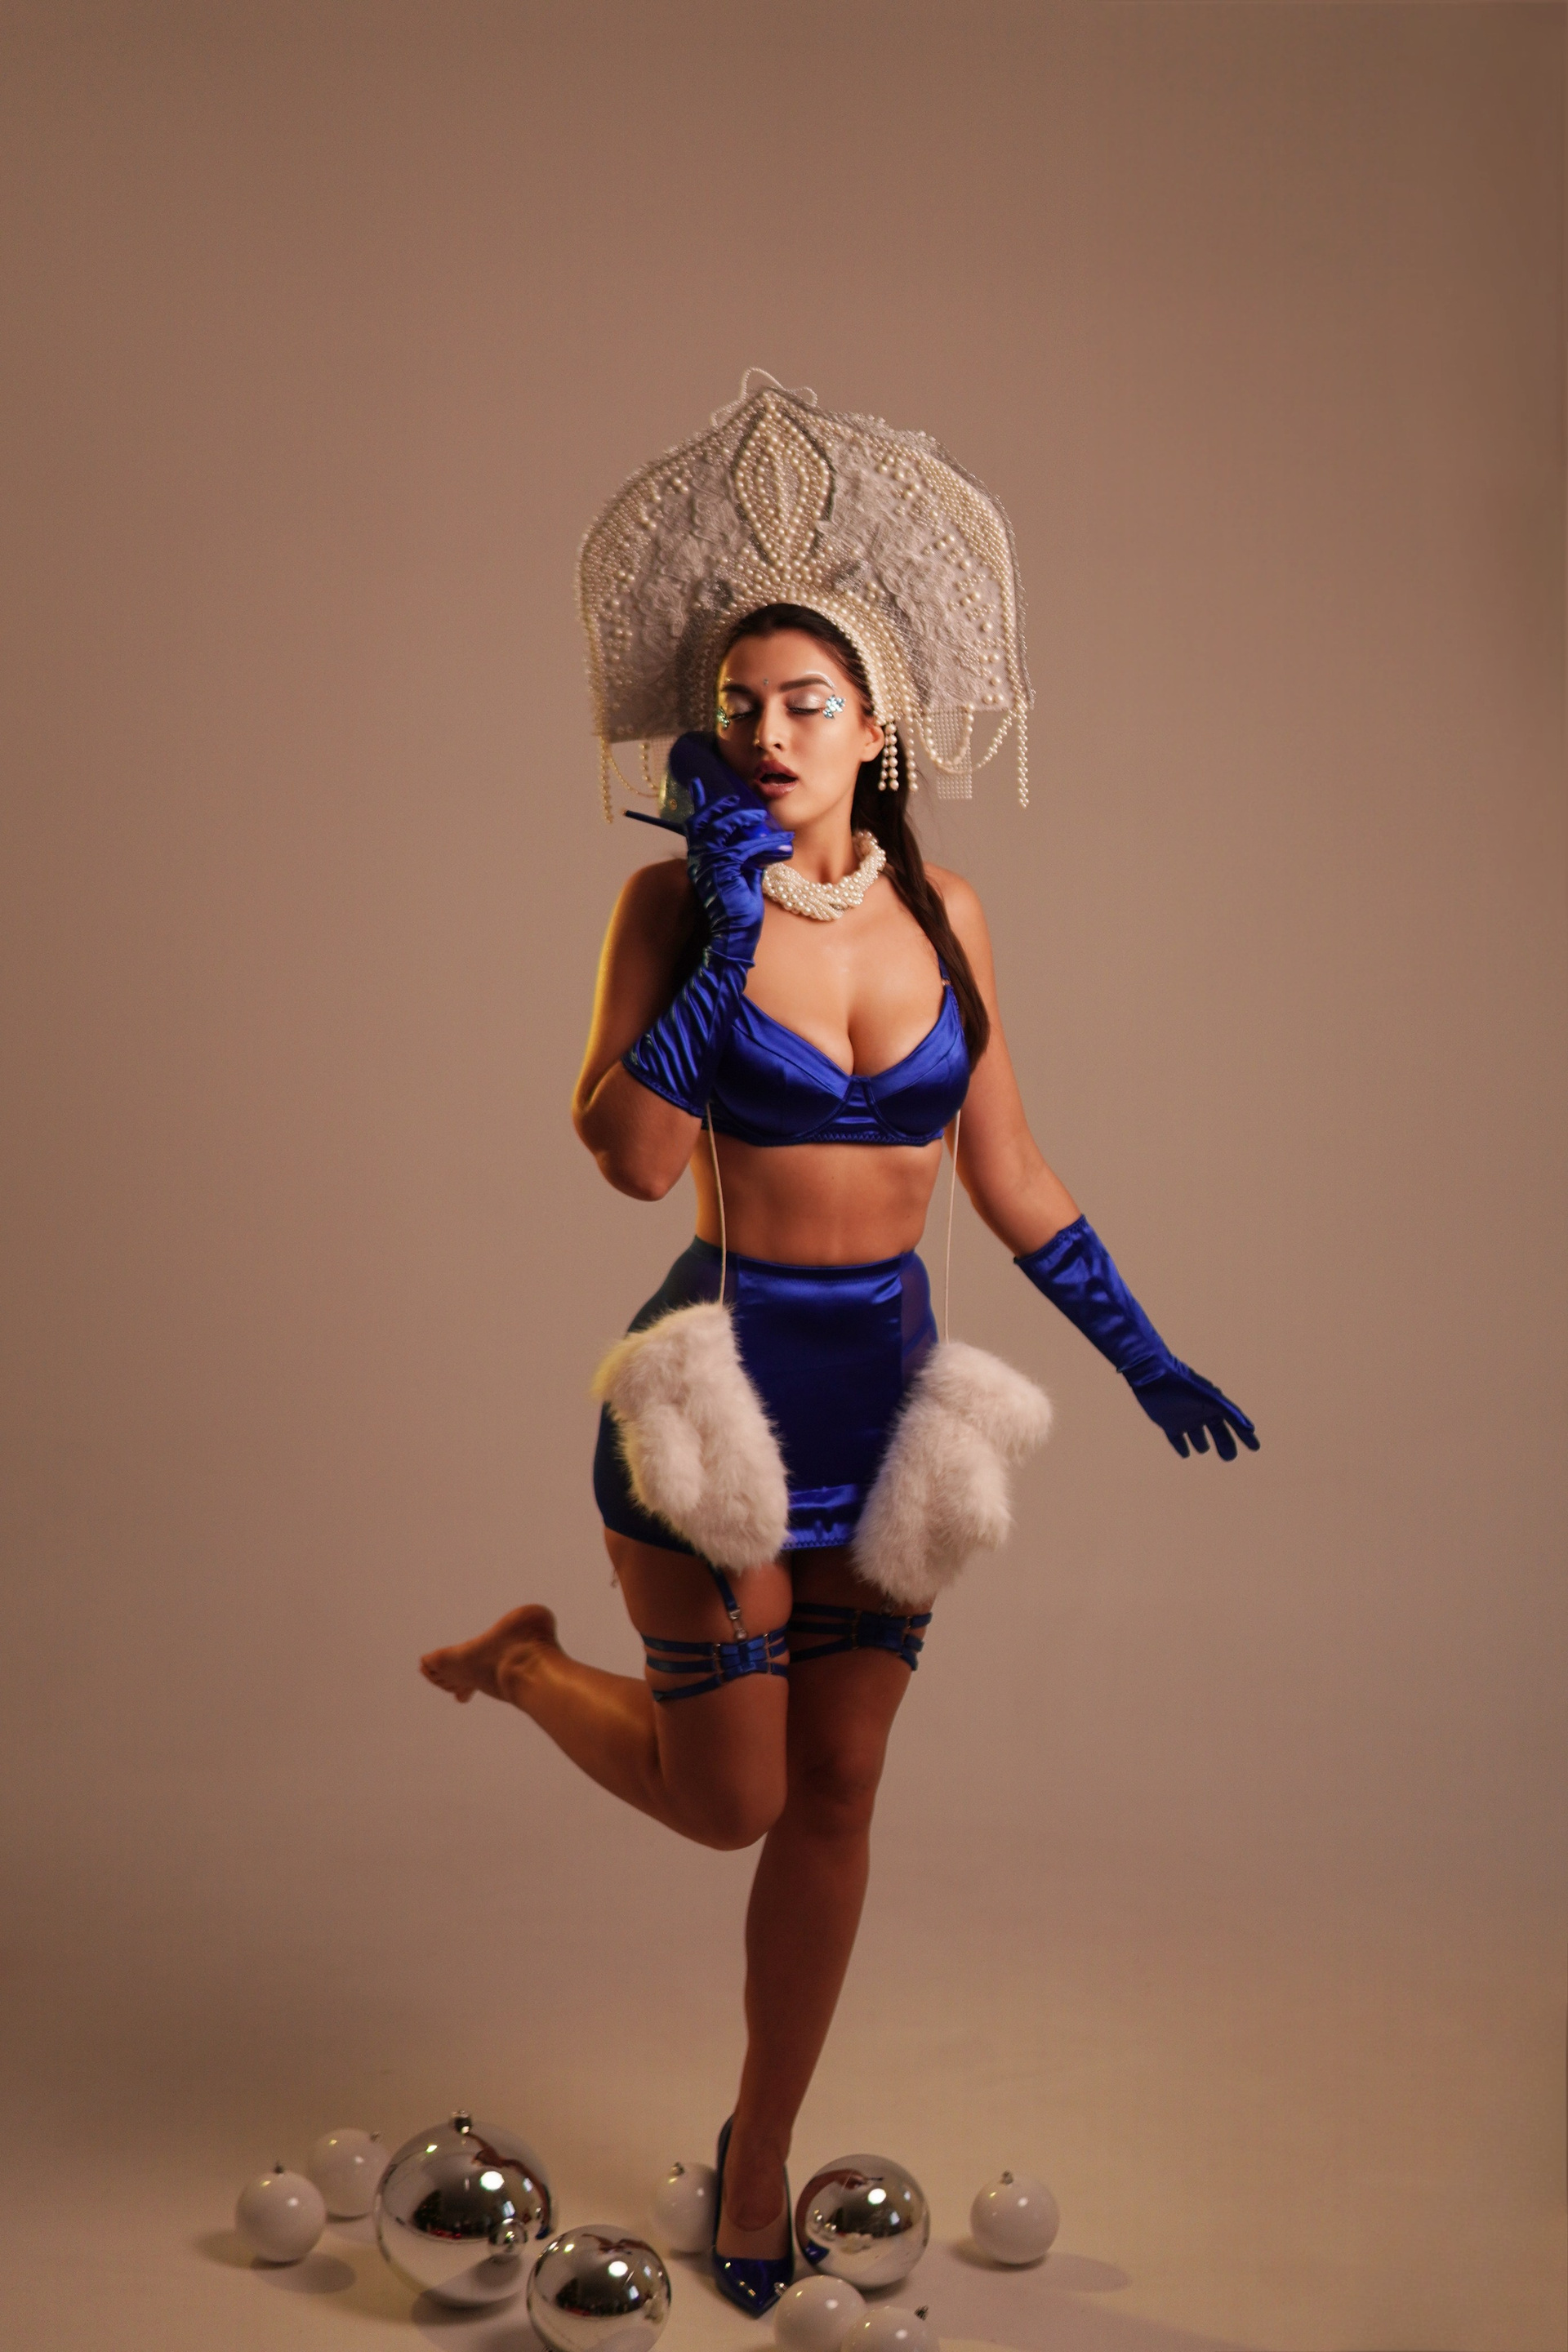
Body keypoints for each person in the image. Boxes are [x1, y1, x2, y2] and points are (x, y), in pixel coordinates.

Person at [420, 379, 1256, 2314]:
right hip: (714, 1404)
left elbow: (1010, 1170)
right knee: (729, 1800)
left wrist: (1141, 1351)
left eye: (808, 703)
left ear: (881, 729)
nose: (771, 733)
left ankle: (762, 2152)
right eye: (740, 707)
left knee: (840, 1795)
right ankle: (529, 1662)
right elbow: (633, 1162)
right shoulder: (664, 903)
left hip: (888, 1412)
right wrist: (724, 940)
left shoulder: (948, 912)